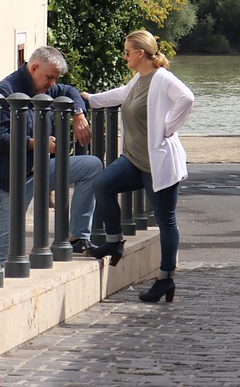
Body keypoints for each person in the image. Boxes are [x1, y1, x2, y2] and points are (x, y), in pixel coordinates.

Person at [81, 30, 194, 304]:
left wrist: (168, 128)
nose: (125, 56)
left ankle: (165, 279)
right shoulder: (139, 79)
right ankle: (115, 240)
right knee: (102, 185)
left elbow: (187, 99)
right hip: (133, 159)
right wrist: (89, 99)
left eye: (127, 52)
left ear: (140, 54)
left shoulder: (163, 78)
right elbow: (121, 95)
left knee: (165, 220)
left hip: (158, 164)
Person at [0, 46, 102, 263]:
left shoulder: (44, 87)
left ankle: (76, 238)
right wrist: (37, 144)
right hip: (10, 178)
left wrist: (78, 113)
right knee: (4, 254)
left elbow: (70, 91)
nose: (52, 84)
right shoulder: (5, 92)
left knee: (92, 166)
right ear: (33, 68)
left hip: (39, 169)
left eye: (55, 79)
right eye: (49, 78)